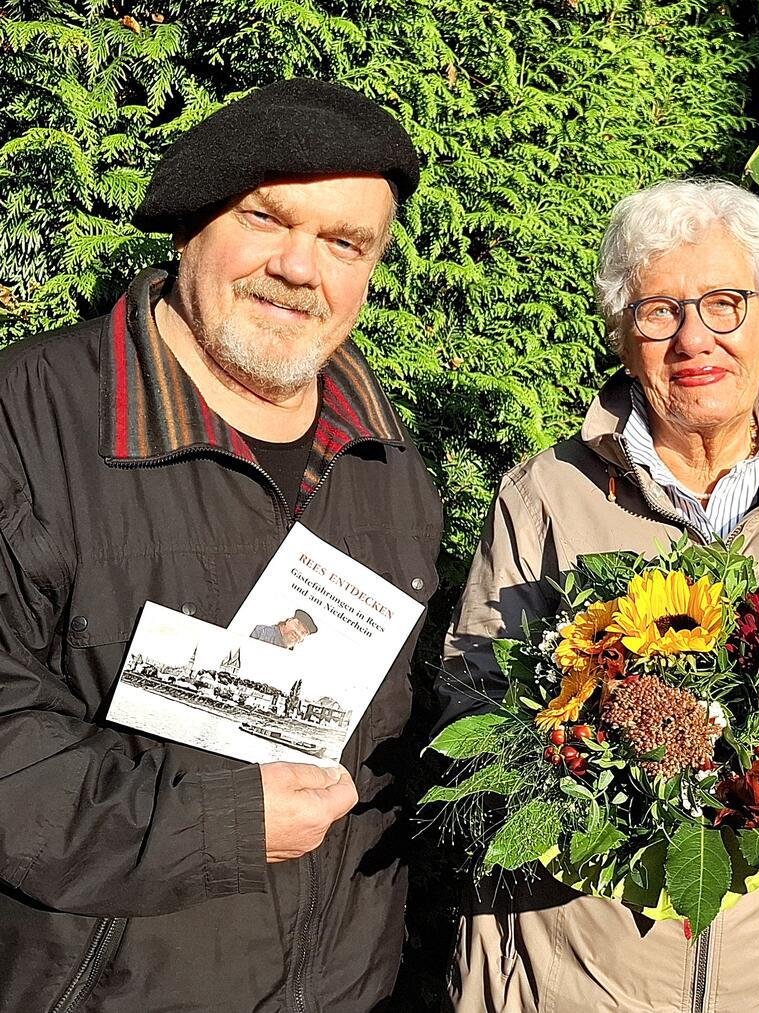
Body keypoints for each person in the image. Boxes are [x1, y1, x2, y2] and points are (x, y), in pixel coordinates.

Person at [442, 178, 759, 1011]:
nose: (694, 339)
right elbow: (472, 696)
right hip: (582, 975)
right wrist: (602, 797)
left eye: (726, 303)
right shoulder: (546, 495)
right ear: (620, 333)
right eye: (659, 311)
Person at [0, 78, 443, 1011]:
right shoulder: (27, 421)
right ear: (191, 222)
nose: (298, 266)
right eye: (266, 218)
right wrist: (217, 822)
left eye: (343, 242)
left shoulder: (387, 459)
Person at [252, 608, 320, 649]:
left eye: (303, 633)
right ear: (288, 621)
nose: (298, 633)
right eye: (297, 626)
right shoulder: (261, 632)